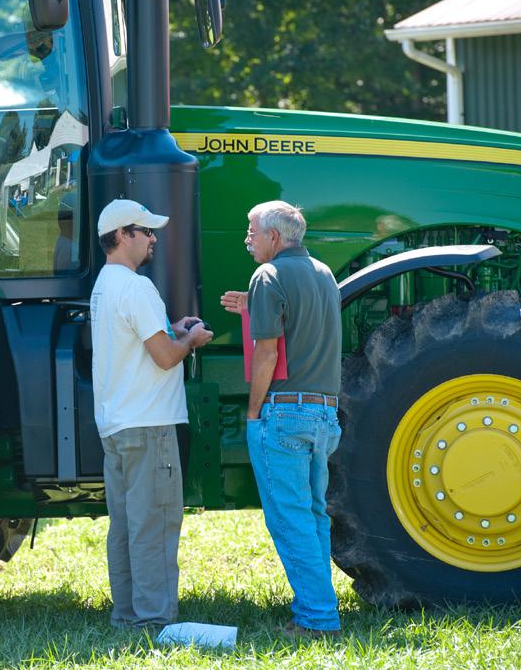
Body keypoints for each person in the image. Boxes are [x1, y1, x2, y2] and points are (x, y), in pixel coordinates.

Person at [220, 200, 343, 638]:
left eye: (252, 231)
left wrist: (254, 411)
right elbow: (302, 331)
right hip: (324, 414)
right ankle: (318, 606)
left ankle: (318, 618)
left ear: (275, 236)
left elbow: (269, 352)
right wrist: (252, 308)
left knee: (289, 518)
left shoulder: (267, 275)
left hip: (284, 413)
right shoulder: (325, 273)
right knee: (312, 515)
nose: (247, 240)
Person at [90, 198, 214, 630]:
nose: (152, 238)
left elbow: (141, 342)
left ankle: (127, 615)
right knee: (156, 526)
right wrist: (191, 340)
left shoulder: (105, 285)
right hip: (150, 427)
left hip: (118, 426)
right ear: (122, 236)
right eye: (144, 231)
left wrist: (174, 329)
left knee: (125, 527)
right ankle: (154, 619)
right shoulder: (138, 287)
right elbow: (164, 357)